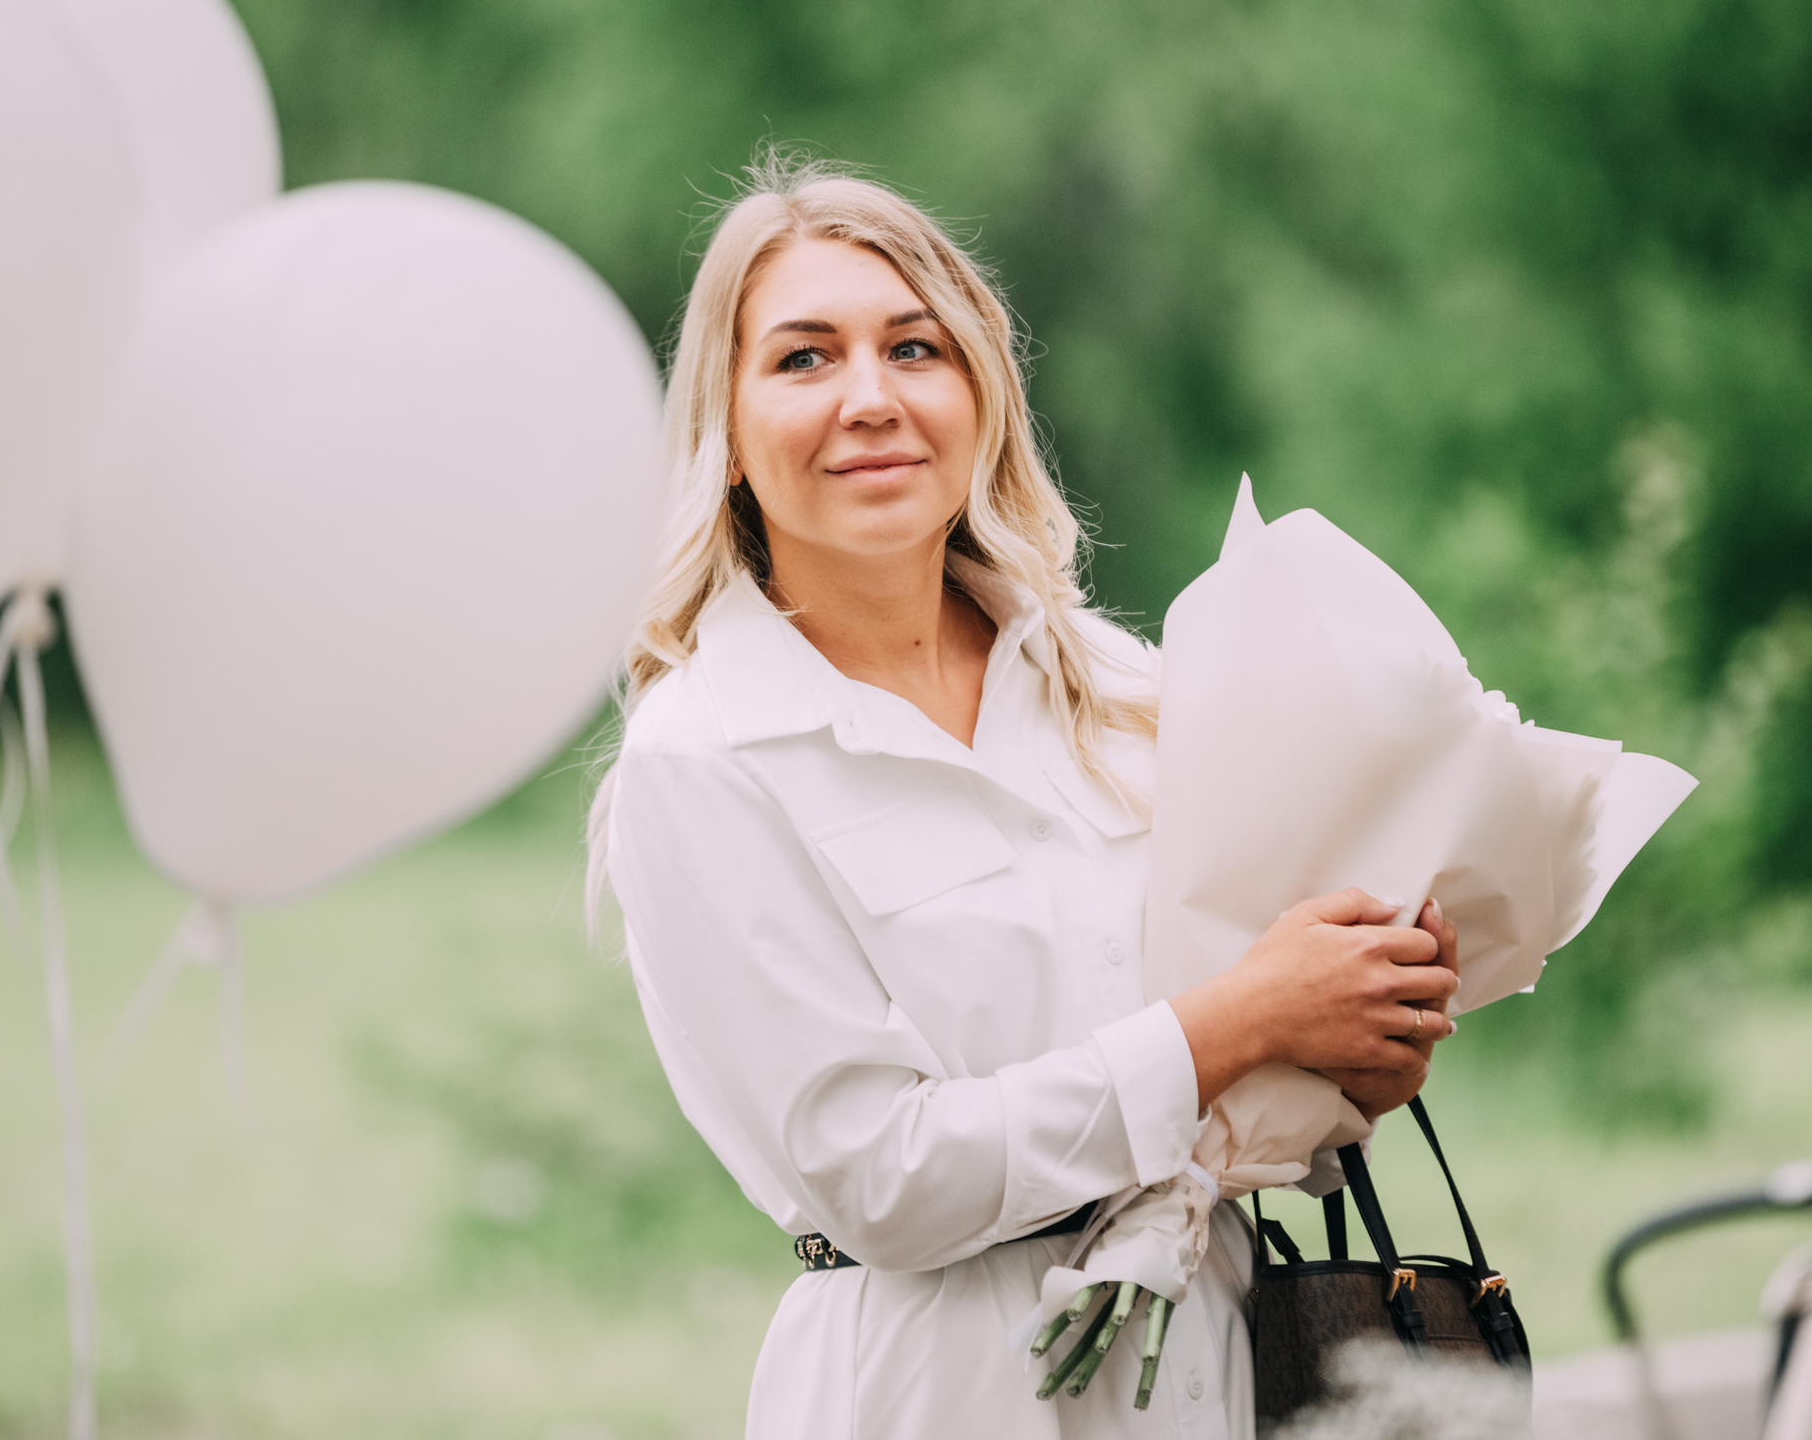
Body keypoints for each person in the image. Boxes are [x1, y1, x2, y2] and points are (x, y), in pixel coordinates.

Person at [591, 156, 1461, 1439]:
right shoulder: (703, 755)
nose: (871, 399)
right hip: (945, 1386)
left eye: (914, 348)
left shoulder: (1116, 682)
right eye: (804, 359)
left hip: (1220, 1346)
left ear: (983, 392)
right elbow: (879, 1181)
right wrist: (1240, 1018)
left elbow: (1238, 1049)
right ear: (723, 429)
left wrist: (1347, 1040)